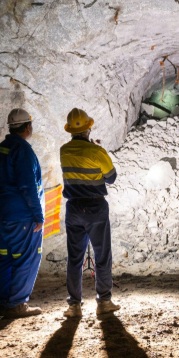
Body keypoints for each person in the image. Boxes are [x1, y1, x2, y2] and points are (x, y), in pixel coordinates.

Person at [59, 108, 120, 318]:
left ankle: (74, 305)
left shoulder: (64, 151)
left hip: (74, 208)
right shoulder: (97, 152)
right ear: (89, 129)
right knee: (102, 255)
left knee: (75, 258)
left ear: (70, 131)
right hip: (95, 208)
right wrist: (100, 152)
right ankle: (104, 301)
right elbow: (111, 178)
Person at [0, 108, 45, 319]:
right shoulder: (23, 150)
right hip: (20, 217)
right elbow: (28, 186)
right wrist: (38, 216)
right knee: (25, 259)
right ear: (28, 127)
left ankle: (1, 303)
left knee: (4, 257)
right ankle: (18, 304)